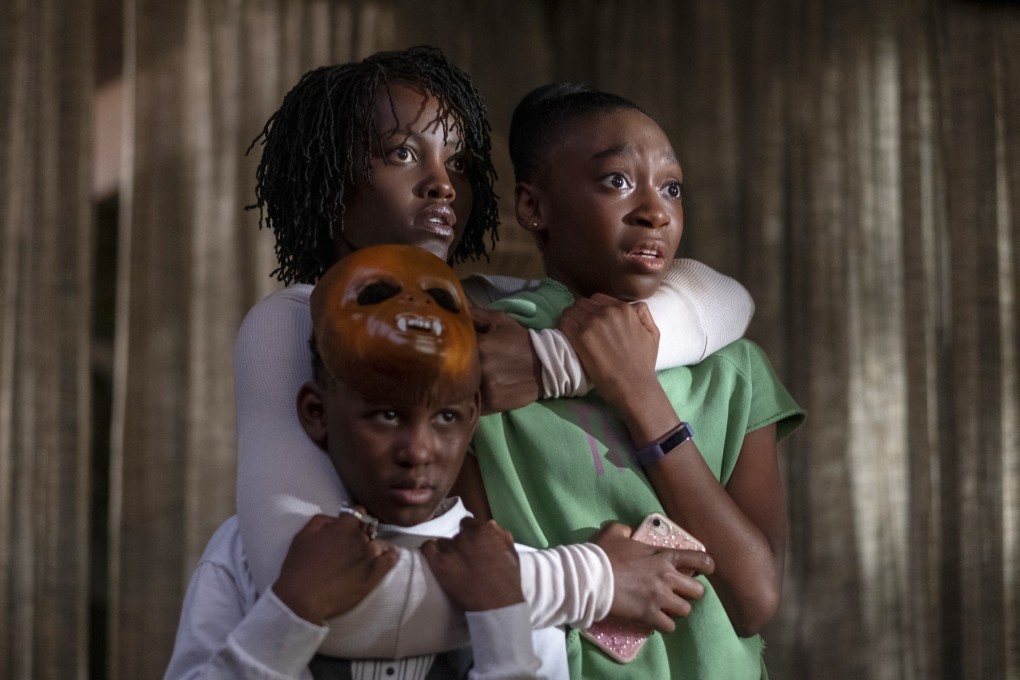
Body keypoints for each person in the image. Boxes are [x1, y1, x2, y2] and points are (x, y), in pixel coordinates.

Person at [235, 47, 754, 656]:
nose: (442, 184)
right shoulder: (291, 320)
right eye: (403, 153)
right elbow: (318, 603)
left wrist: (552, 362)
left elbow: (726, 298)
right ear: (326, 177)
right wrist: (594, 578)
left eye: (458, 163)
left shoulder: (485, 308)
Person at [165, 245, 713, 679]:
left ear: (473, 416)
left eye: (446, 418)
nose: (418, 450)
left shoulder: (507, 570)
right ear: (316, 413)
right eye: (385, 415)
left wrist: (501, 616)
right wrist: (290, 610)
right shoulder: (245, 557)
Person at [456, 83, 806, 679]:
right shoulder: (489, 355)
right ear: (533, 206)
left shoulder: (735, 371)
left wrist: (640, 393)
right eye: (616, 180)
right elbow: (471, 582)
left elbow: (754, 601)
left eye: (671, 188)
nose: (655, 211)